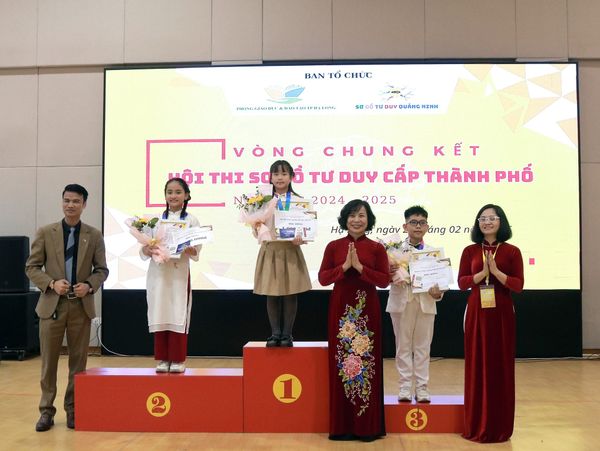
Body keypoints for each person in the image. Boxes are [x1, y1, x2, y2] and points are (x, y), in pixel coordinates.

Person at [25, 184, 109, 431]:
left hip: (80, 307)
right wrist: (51, 283)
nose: (70, 205)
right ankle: (46, 411)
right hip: (52, 306)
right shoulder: (45, 232)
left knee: (78, 364)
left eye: (76, 201)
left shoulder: (94, 235)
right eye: (66, 200)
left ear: (84, 204)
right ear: (62, 202)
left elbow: (102, 270)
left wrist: (90, 286)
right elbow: (31, 267)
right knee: (48, 363)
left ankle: (73, 409)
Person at [318, 199, 389, 441]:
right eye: (352, 215)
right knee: (342, 365)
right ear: (344, 219)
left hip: (368, 312)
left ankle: (367, 427)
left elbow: (384, 281)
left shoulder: (377, 248)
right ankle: (342, 427)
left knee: (366, 366)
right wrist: (344, 267)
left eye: (361, 215)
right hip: (341, 313)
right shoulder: (333, 246)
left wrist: (360, 268)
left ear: (369, 220)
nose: (356, 220)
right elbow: (323, 279)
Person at [457, 204, 524, 443]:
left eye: (492, 218)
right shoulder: (470, 250)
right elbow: (462, 283)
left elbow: (518, 285)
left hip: (502, 313)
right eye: (482, 219)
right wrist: (482, 273)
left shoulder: (512, 251)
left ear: (501, 221)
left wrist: (495, 272)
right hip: (477, 310)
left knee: (500, 366)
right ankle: (476, 424)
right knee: (476, 364)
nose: (487, 222)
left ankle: (499, 427)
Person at [141, 177, 202, 373]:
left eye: (178, 192)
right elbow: (145, 248)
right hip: (158, 273)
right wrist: (147, 249)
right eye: (169, 192)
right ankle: (162, 358)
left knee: (177, 313)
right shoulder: (155, 220)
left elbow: (196, 249)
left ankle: (177, 359)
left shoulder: (191, 220)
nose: (173, 196)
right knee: (160, 311)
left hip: (179, 274)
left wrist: (191, 249)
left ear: (186, 195)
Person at [386, 206, 444, 403]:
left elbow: (440, 284)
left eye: (422, 223)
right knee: (402, 346)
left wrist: (438, 293)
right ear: (405, 226)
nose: (418, 226)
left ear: (427, 226)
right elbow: (385, 277)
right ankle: (404, 386)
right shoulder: (393, 251)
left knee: (423, 348)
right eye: (413, 222)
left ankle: (422, 388)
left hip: (426, 304)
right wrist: (391, 273)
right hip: (401, 302)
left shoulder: (434, 253)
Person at [253, 160, 311, 347]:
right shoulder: (262, 201)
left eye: (284, 174)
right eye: (276, 174)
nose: (280, 177)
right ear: (270, 177)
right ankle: (275, 333)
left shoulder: (299, 202)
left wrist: (301, 237)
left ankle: (287, 334)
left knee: (290, 293)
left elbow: (306, 229)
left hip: (290, 250)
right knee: (272, 293)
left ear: (292, 177)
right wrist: (257, 227)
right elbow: (255, 229)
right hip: (270, 250)